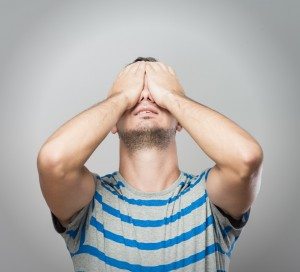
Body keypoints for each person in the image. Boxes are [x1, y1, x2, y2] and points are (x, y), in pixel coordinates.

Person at [37, 57, 263, 271]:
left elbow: (246, 159)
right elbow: (53, 161)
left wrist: (171, 96)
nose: (145, 97)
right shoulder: (88, 203)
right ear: (112, 121)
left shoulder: (209, 199)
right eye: (135, 93)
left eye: (155, 93)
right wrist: (121, 97)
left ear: (181, 122)